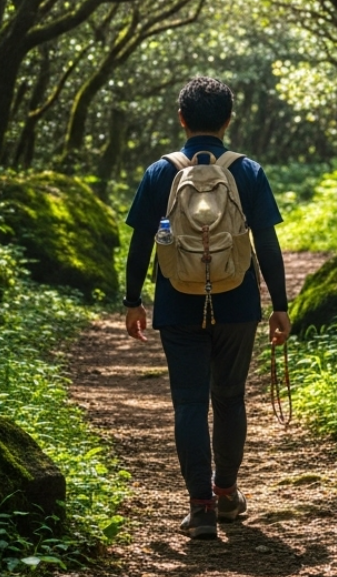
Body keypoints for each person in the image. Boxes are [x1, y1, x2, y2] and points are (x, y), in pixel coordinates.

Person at [123, 76, 291, 539]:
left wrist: (133, 300)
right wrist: (279, 305)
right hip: (237, 299)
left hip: (177, 300)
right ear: (228, 120)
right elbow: (268, 244)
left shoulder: (161, 172)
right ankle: (226, 494)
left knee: (190, 402)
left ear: (181, 118)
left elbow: (140, 243)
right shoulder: (247, 171)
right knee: (230, 397)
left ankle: (199, 509)